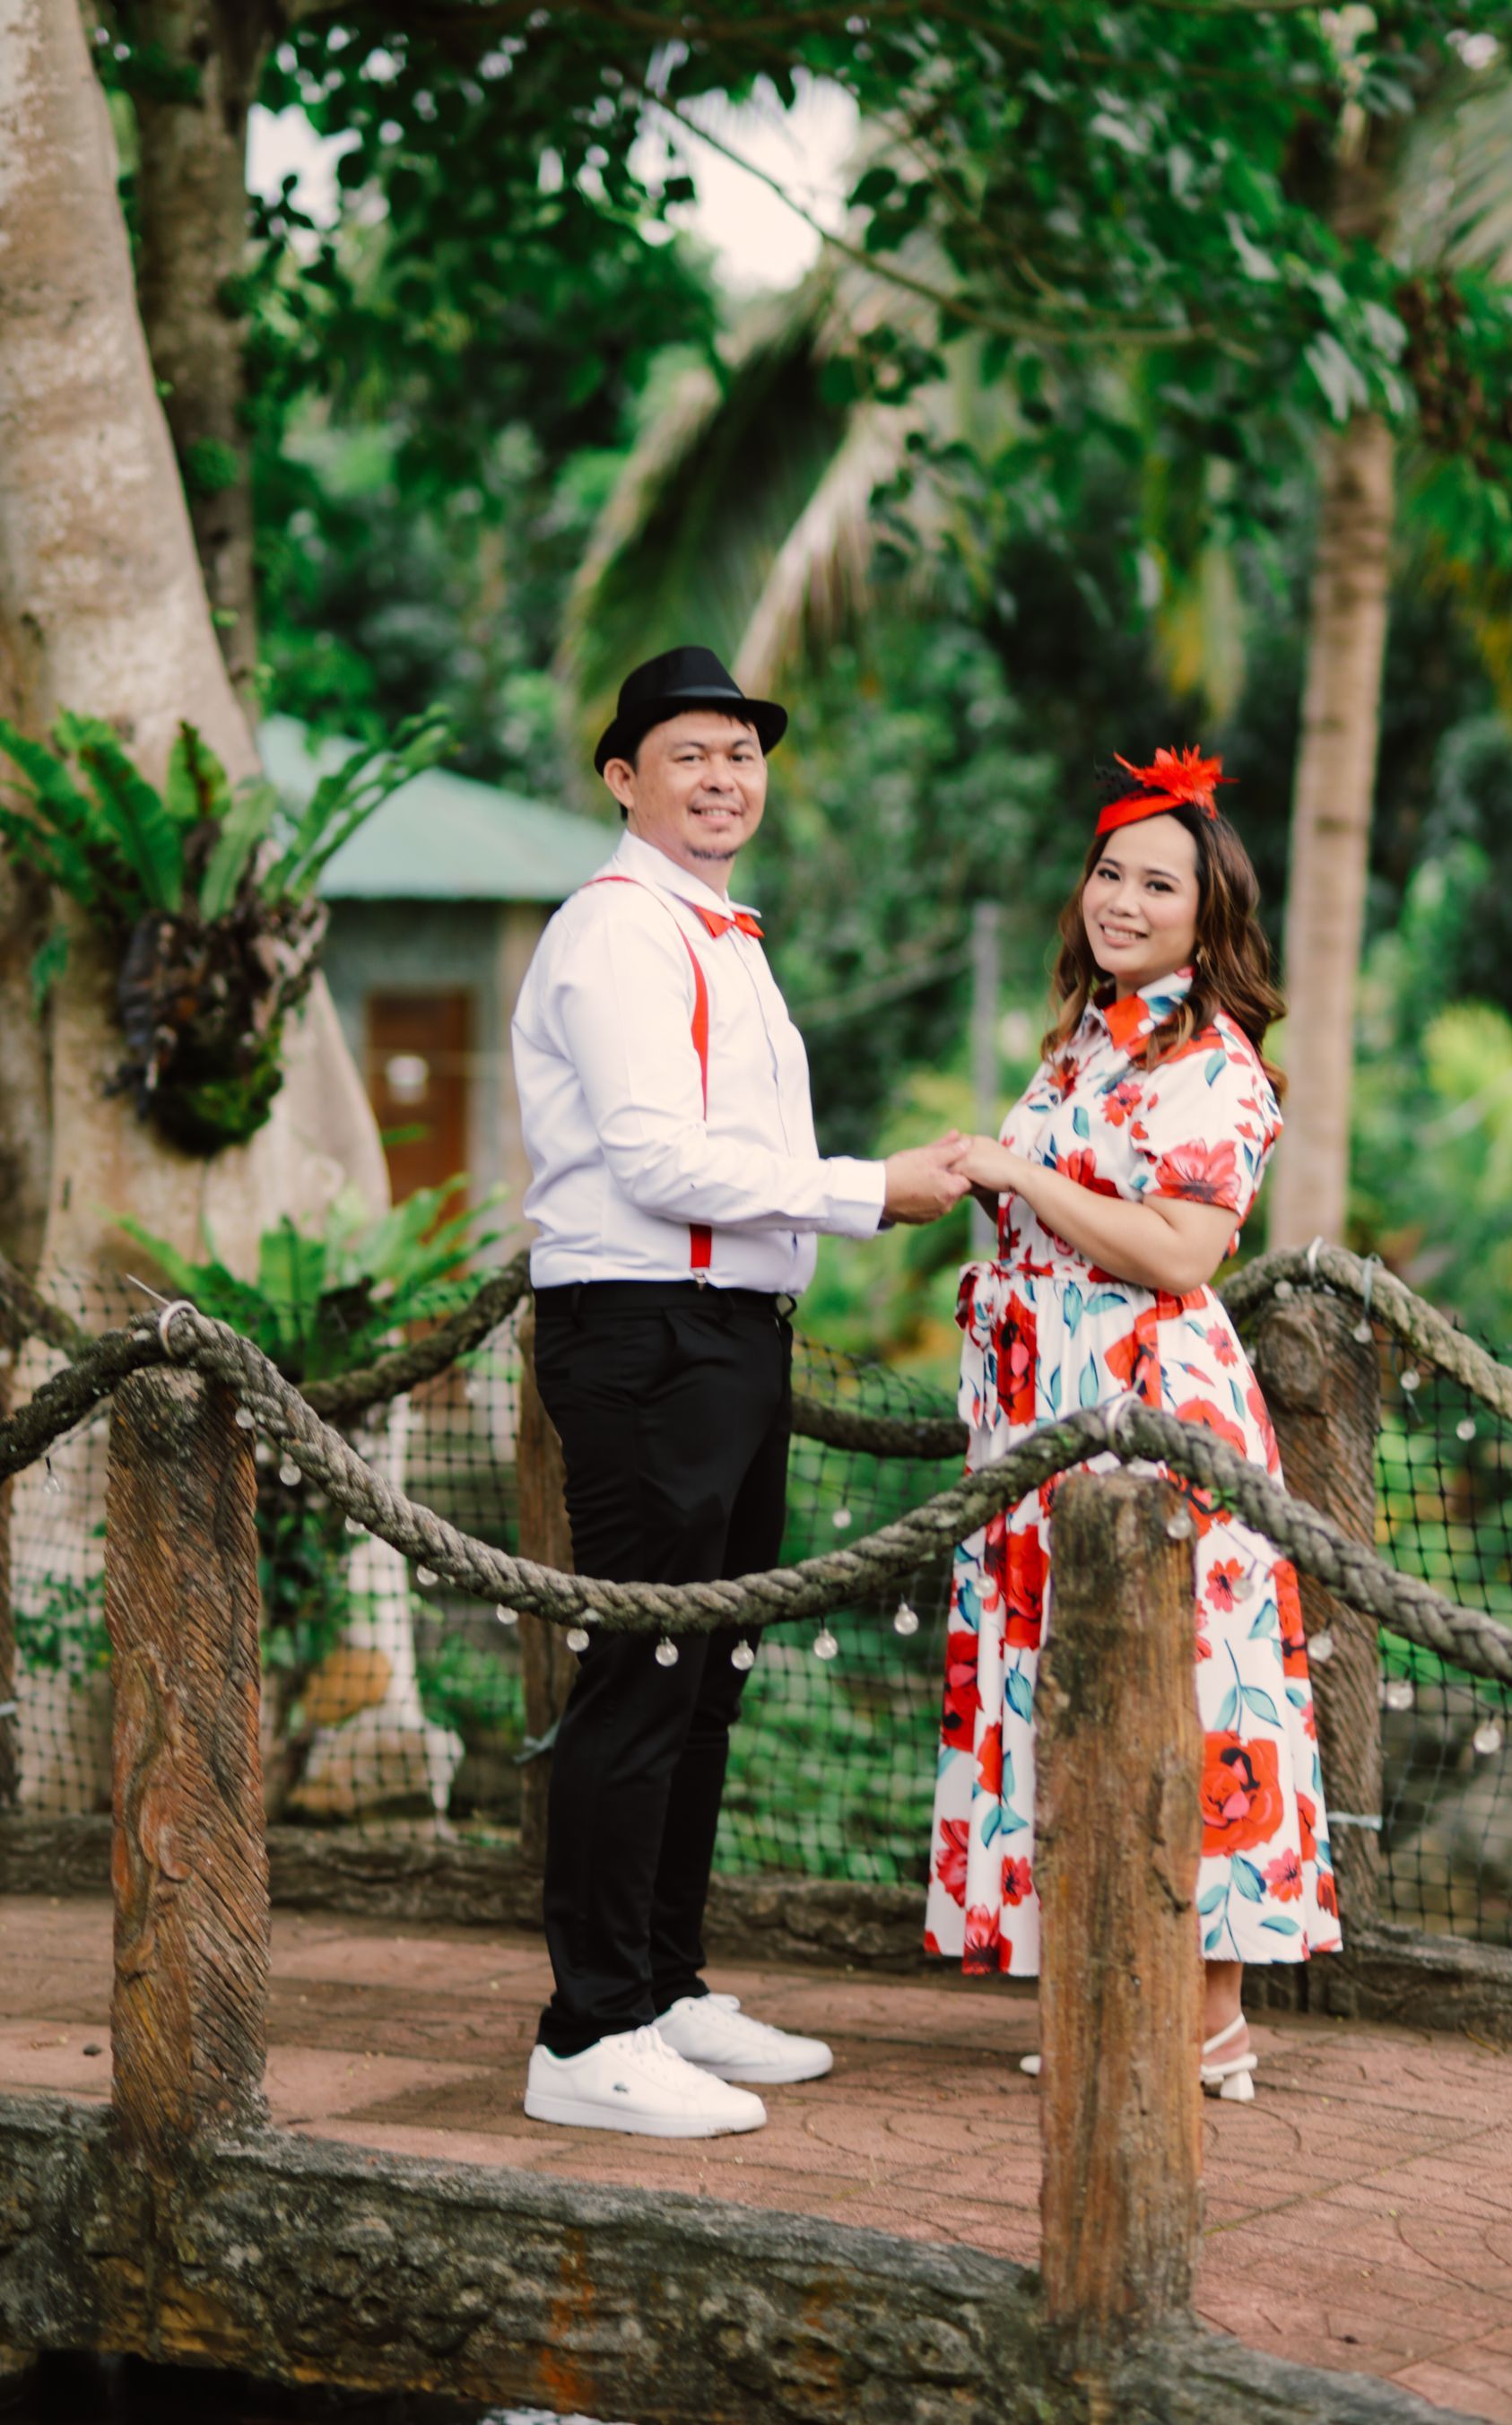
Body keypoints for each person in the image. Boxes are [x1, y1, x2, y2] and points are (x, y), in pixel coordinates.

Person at [512, 644, 969, 2141]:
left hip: (730, 1335)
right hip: (645, 1333)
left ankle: (660, 1987)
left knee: (707, 1674)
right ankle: (586, 2032)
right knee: (643, 1668)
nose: (723, 778)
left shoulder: (721, 934)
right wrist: (870, 1191)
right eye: (689, 754)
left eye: (743, 753)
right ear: (623, 778)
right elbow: (655, 1160)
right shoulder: (617, 931)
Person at [925, 744, 1341, 2102]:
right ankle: (1117, 1990)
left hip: (1145, 1408)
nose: (1122, 900)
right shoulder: (1087, 1041)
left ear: (1208, 919)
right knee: (1074, 1692)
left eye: (1159, 885)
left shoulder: (1216, 1065)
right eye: (1110, 872)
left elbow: (1179, 1253)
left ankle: (1208, 2018)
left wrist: (1019, 1173)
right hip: (1040, 1405)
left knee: (1187, 1690)